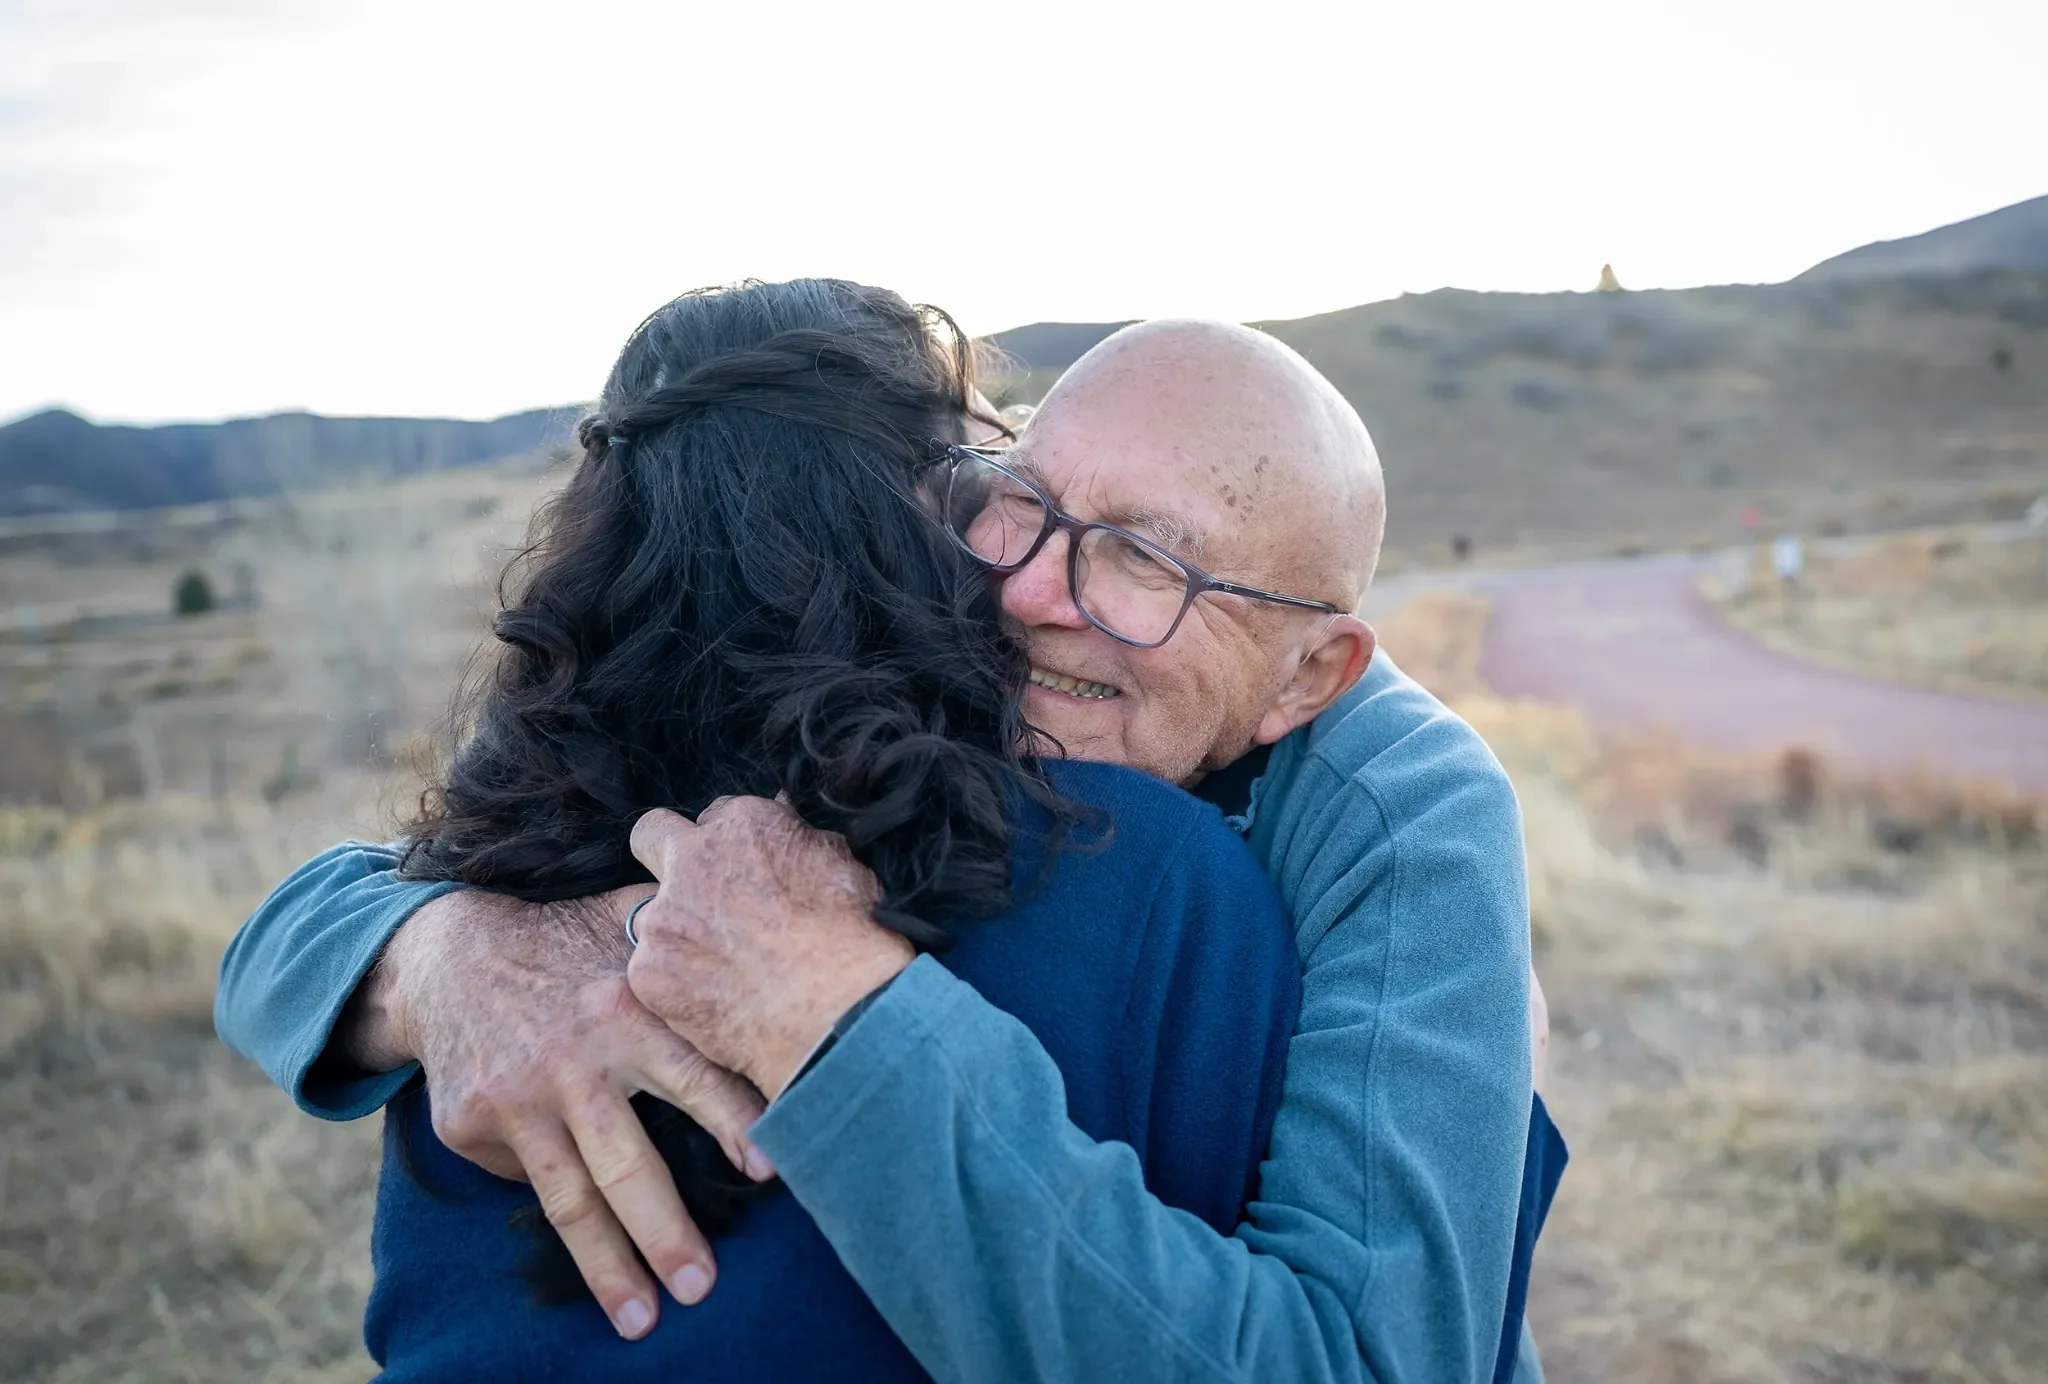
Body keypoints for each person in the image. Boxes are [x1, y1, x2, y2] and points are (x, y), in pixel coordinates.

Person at [220, 318, 1562, 1381]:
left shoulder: (1389, 809)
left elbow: (1386, 1353)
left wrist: (823, 1010)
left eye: (1148, 562)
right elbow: (306, 922)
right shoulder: (583, 821)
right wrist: (437, 952)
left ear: (1306, 675)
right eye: (1014, 496)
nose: (1028, 588)